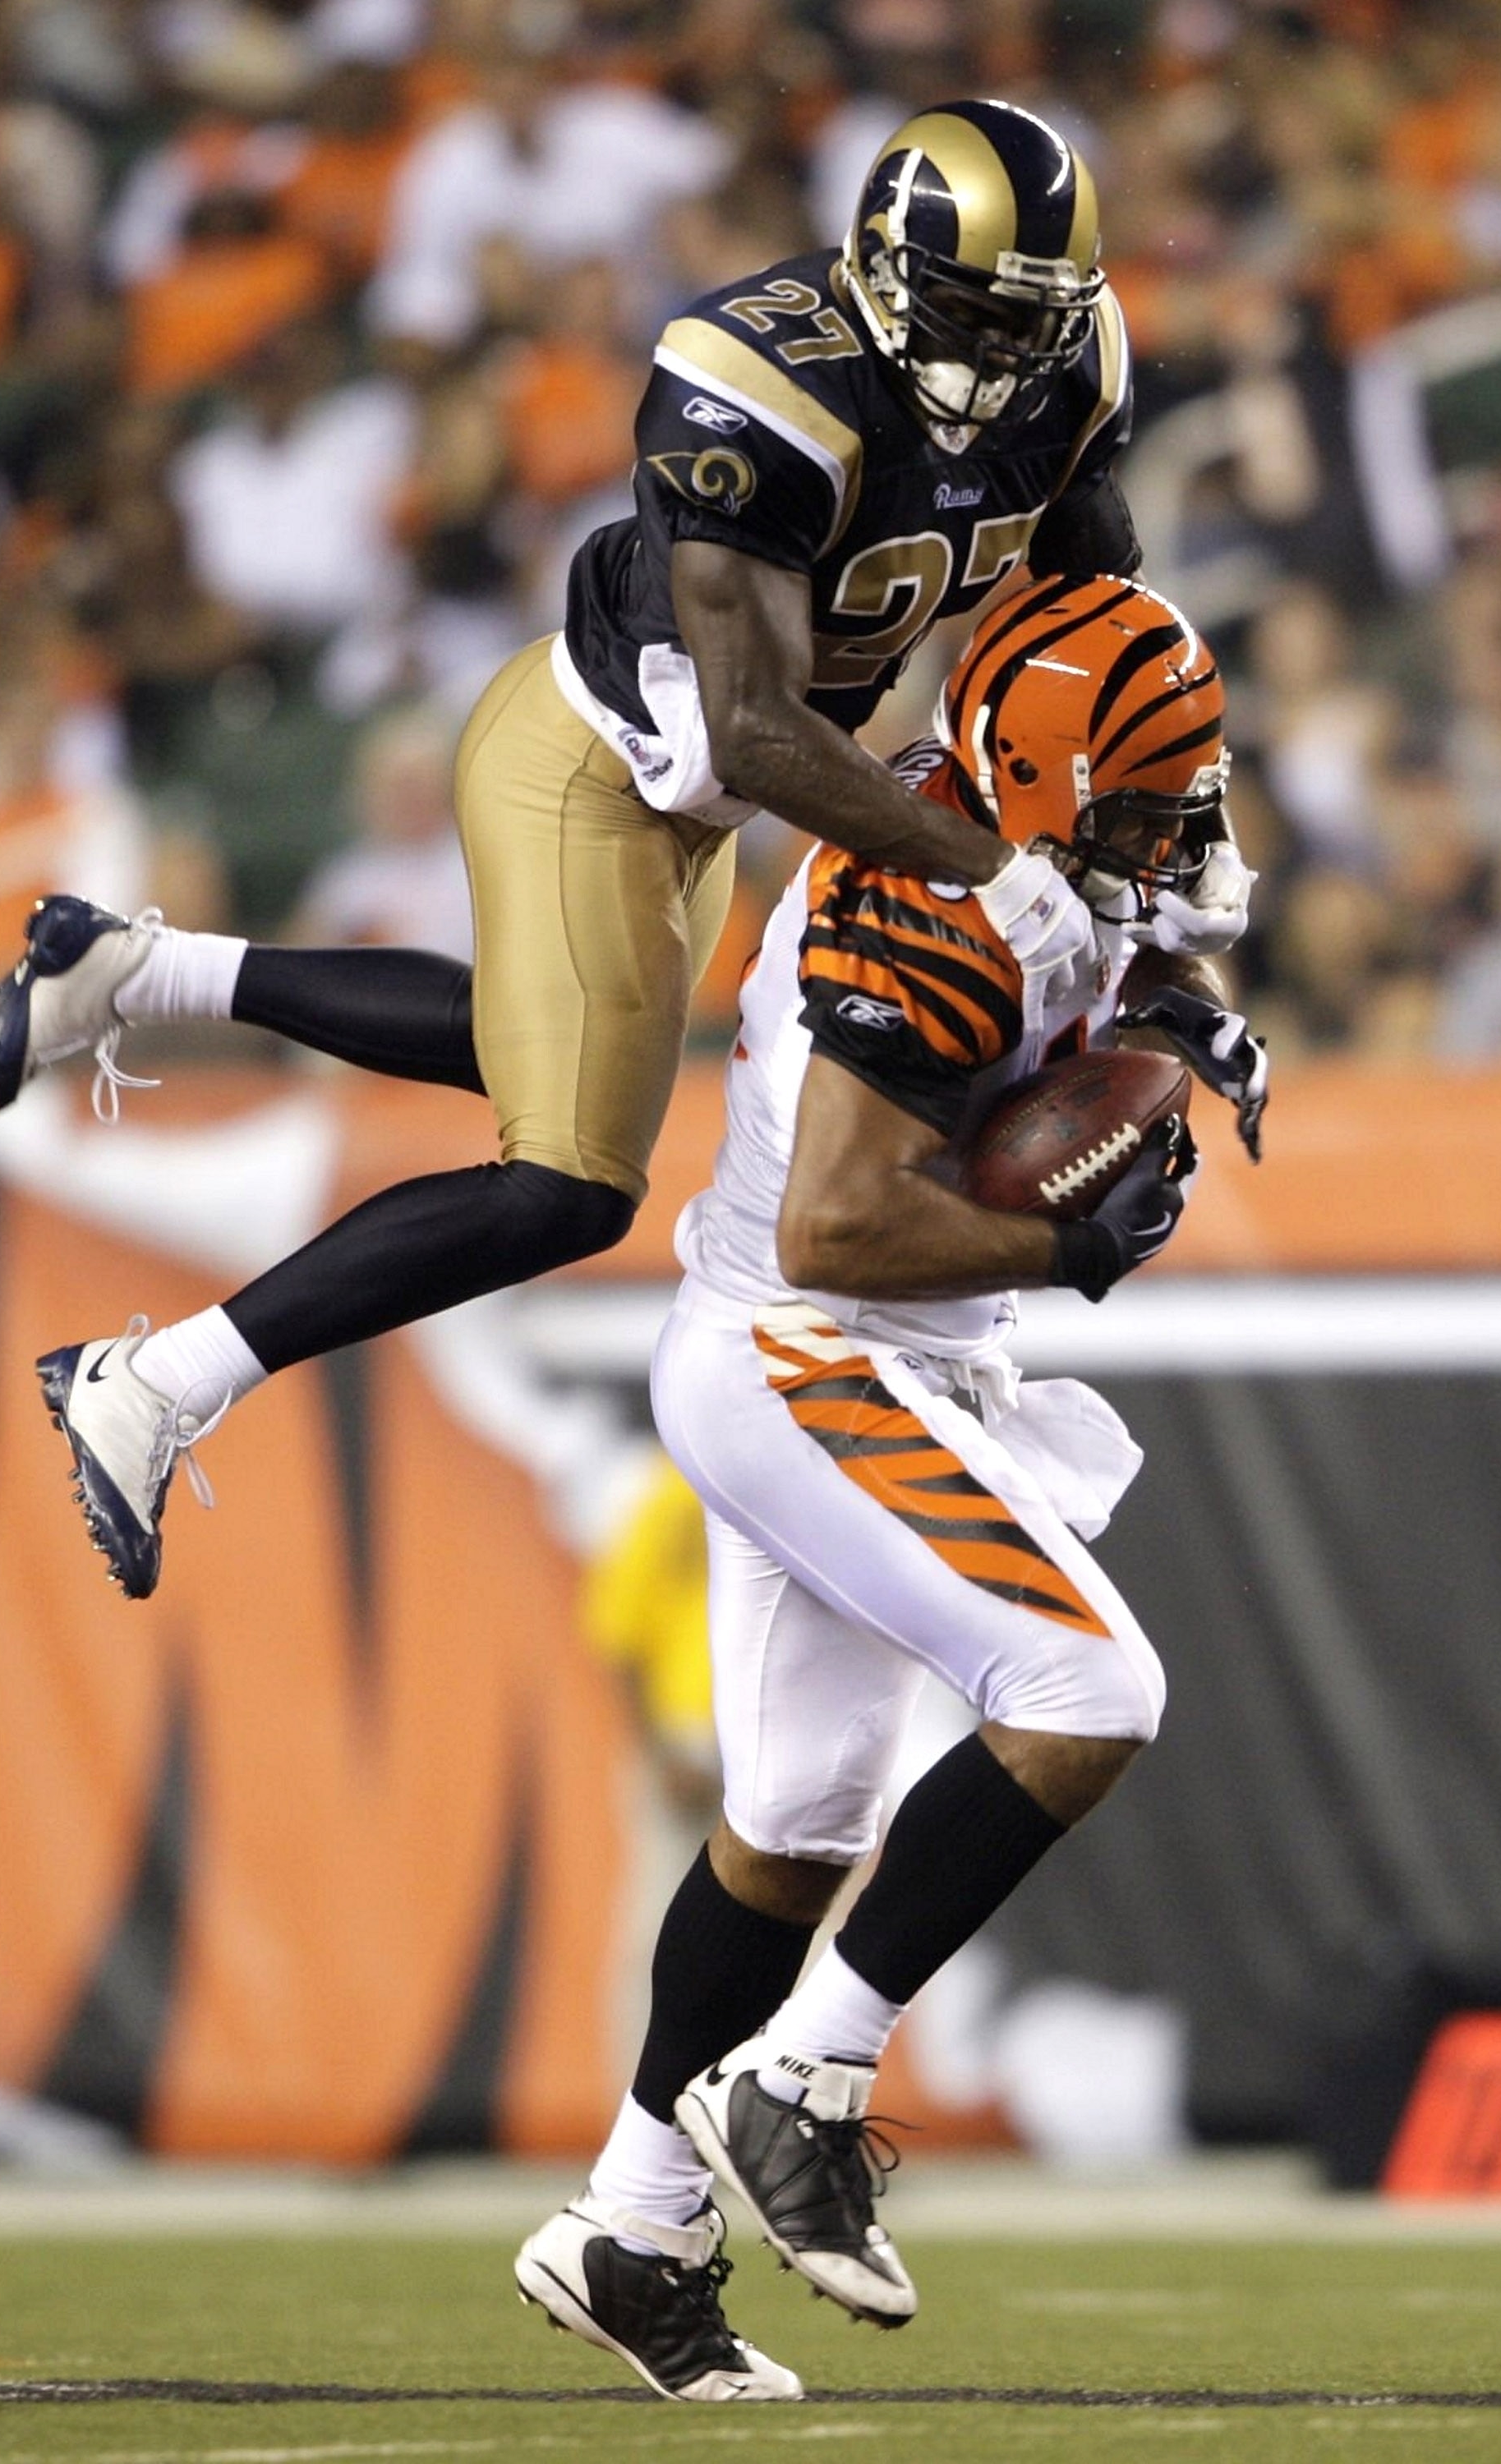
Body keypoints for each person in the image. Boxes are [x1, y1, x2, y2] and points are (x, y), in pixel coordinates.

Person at [0, 99, 1253, 1598]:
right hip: (602, 764)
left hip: (723, 792)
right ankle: (159, 1382)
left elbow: (1090, 618)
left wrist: (1145, 825)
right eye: (973, 316)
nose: (1006, 360)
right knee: (569, 1178)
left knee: (558, 1051)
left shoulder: (1068, 366)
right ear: (887, 272)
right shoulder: (759, 384)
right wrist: (989, 864)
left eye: (1033, 322)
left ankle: (125, 971)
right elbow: (760, 727)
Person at [510, 572, 1267, 2402]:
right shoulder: (925, 900)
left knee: (800, 1829)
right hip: (809, 1350)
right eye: (1142, 805)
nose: (1173, 837)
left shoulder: (1033, 851)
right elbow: (839, 1219)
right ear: (1030, 780)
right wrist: (1075, 1238)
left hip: (846, 1354)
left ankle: (631, 2225)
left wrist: (1168, 1018)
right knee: (1092, 1688)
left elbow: (1114, 958)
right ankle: (806, 2075)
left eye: (1188, 799)